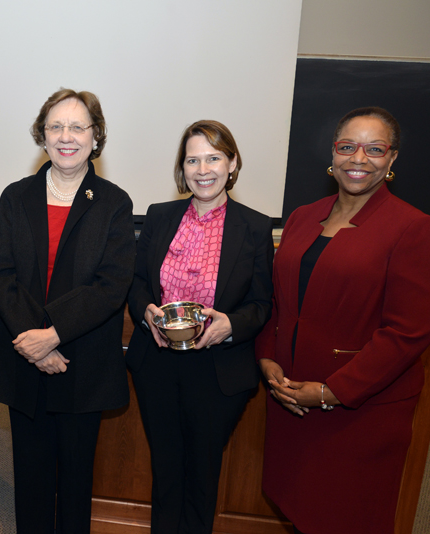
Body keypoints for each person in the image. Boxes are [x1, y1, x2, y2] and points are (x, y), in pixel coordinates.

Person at [256, 107, 430, 534]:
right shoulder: (304, 216)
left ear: (391, 159)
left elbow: (409, 332)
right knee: (299, 509)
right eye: (348, 147)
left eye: (374, 149)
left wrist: (331, 392)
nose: (359, 158)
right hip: (290, 398)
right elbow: (279, 301)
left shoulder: (413, 227)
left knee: (346, 516)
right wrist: (267, 359)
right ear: (333, 152)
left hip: (357, 411)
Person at [0, 88, 135, 533]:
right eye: (55, 126)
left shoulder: (114, 202)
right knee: (30, 482)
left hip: (82, 363)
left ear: (95, 136)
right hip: (23, 356)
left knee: (74, 486)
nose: (66, 136)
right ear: (42, 135)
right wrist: (36, 342)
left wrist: (52, 335)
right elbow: (0, 271)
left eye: (77, 126)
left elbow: (112, 284)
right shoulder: (16, 196)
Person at [125, 120, 274, 533]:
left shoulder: (255, 227)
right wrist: (147, 312)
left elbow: (263, 303)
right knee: (166, 469)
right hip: (157, 362)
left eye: (213, 157)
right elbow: (136, 283)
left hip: (217, 369)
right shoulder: (159, 215)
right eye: (193, 159)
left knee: (202, 474)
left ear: (232, 163)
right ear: (182, 167)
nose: (203, 168)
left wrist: (231, 324)